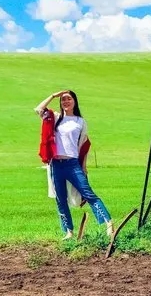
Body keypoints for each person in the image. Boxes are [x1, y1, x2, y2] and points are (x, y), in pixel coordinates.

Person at [34, 90, 114, 240]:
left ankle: (108, 223)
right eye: (63, 99)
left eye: (69, 99)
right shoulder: (55, 117)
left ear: (74, 101)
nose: (65, 101)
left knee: (88, 193)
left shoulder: (80, 122)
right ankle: (69, 232)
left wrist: (83, 167)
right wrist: (53, 95)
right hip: (56, 165)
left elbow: (84, 145)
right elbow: (38, 109)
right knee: (60, 199)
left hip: (72, 164)